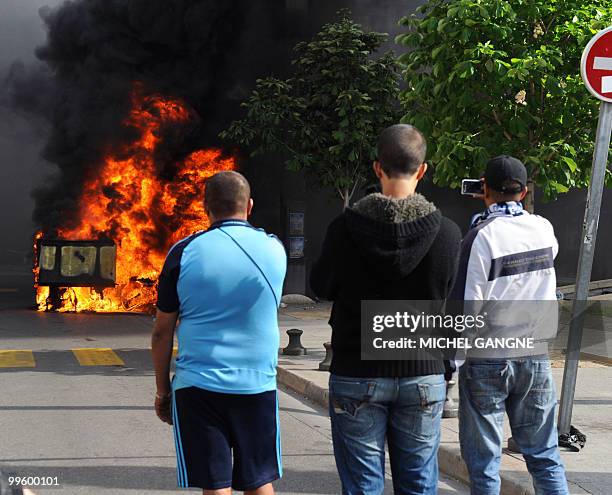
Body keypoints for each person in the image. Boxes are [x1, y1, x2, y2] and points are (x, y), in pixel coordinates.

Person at [310, 124, 462, 494]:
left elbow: (321, 287)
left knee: (362, 486)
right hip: (423, 372)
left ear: (377, 168)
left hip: (356, 371)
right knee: (419, 484)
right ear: (423, 170)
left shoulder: (344, 229)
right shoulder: (447, 234)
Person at [151, 171, 287, 495]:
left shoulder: (182, 252)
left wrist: (162, 392)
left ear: (205, 207)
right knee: (259, 482)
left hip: (197, 387)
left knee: (215, 485)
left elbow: (161, 332)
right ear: (249, 205)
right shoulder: (275, 250)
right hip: (257, 385)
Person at [451, 155, 569, 494]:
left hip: (487, 359)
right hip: (535, 354)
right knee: (544, 456)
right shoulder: (544, 229)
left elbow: (466, 310)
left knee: (484, 464)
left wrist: (452, 363)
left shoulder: (480, 236)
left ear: (483, 189)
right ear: (525, 191)